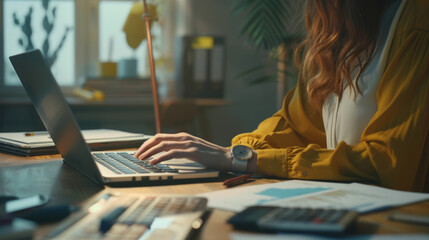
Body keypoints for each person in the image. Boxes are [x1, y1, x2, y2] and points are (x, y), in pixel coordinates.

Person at [135, 0, 429, 192]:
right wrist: (234, 153)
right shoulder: (339, 33)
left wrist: (239, 159)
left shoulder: (417, 23)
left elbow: (385, 164)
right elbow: (292, 125)